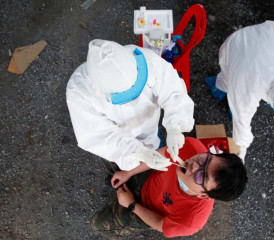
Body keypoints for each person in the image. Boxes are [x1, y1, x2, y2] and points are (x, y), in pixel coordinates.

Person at [66, 39, 195, 171]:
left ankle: (152, 145)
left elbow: (173, 91)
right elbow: (100, 136)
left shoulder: (148, 59)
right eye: (126, 97)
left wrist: (175, 126)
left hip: (150, 126)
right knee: (125, 158)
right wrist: (137, 152)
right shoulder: (79, 92)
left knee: (153, 141)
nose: (135, 100)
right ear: (103, 92)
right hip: (120, 135)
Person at [90, 137, 248, 238]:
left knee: (97, 224)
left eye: (201, 176)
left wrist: (132, 204)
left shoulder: (191, 221)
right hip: (148, 175)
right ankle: (118, 179)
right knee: (107, 146)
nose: (193, 166)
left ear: (204, 195)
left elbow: (160, 224)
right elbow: (161, 154)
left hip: (144, 209)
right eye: (205, 159)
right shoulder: (193, 147)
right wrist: (128, 172)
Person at [205, 20, 274, 162]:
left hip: (266, 34)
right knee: (228, 81)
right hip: (236, 44)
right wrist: (241, 148)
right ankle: (218, 88)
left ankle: (221, 89)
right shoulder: (247, 87)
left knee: (236, 90)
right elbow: (242, 118)